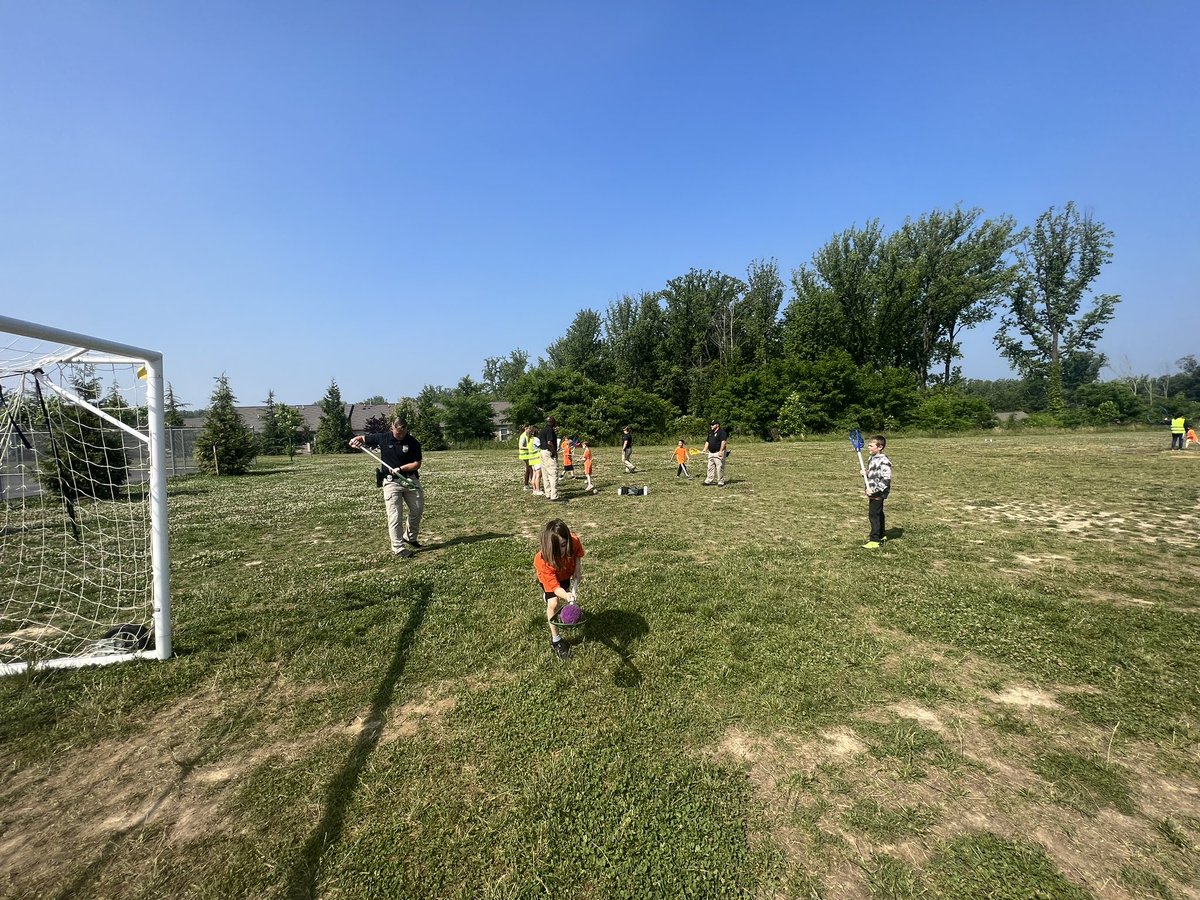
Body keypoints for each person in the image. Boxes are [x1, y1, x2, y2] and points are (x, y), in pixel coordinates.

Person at [350, 416, 423, 558]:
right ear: (392, 428)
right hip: (391, 483)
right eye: (398, 432)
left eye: (403, 432)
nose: (401, 435)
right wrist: (354, 442)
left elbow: (417, 464)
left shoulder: (413, 442)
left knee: (417, 510)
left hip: (410, 480)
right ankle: (398, 547)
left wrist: (400, 469)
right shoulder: (383, 438)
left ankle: (410, 537)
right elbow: (360, 439)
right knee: (395, 515)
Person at [534, 518, 585, 659]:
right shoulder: (543, 561)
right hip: (550, 580)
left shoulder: (573, 541)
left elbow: (578, 553)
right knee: (554, 603)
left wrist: (577, 569)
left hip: (565, 574)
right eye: (556, 548)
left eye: (563, 545)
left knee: (562, 592)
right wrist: (567, 595)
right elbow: (556, 588)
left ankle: (554, 596)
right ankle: (556, 640)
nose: (561, 551)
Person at [863, 434, 893, 550]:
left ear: (880, 447)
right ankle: (882, 534)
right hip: (872, 490)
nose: (868, 447)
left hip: (879, 492)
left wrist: (875, 490)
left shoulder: (884, 461)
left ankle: (874, 540)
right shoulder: (871, 458)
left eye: (871, 446)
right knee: (879, 513)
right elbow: (873, 474)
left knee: (873, 515)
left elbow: (886, 478)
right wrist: (865, 473)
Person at [539, 415, 564, 502]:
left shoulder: (542, 430)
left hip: (542, 452)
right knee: (553, 473)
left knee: (545, 474)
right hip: (549, 452)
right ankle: (554, 495)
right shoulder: (550, 430)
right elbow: (549, 442)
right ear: (552, 422)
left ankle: (548, 493)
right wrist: (554, 452)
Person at [703, 420, 728, 486]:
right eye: (711, 424)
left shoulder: (722, 432)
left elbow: (723, 442)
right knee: (710, 467)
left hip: (718, 452)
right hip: (711, 453)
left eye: (713, 425)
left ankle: (720, 481)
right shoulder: (710, 432)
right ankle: (708, 480)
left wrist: (721, 451)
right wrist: (705, 449)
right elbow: (707, 442)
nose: (711, 426)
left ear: (717, 425)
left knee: (719, 468)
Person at [518, 424, 533, 491]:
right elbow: (521, 446)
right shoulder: (523, 436)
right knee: (530, 469)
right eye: (529, 428)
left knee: (528, 469)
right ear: (526, 428)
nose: (530, 430)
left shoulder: (527, 435)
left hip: (528, 455)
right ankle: (533, 484)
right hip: (524, 455)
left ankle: (526, 484)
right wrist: (529, 448)